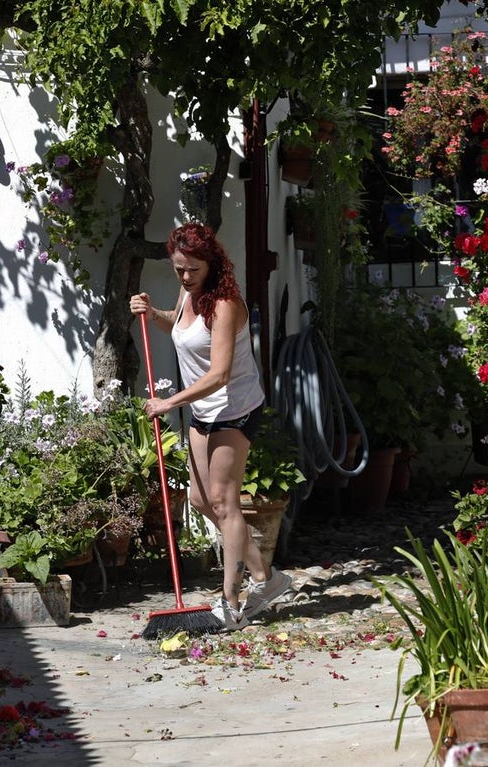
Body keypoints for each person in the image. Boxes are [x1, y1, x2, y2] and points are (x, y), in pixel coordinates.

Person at [130, 222, 291, 631]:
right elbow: (181, 330)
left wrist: (169, 402)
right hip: (202, 410)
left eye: (193, 269)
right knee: (202, 501)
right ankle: (267, 579)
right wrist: (153, 314)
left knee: (224, 502)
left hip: (234, 409)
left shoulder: (225, 305)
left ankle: (230, 603)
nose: (185, 276)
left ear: (212, 264)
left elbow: (219, 374)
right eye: (179, 269)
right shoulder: (189, 293)